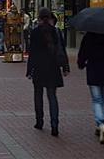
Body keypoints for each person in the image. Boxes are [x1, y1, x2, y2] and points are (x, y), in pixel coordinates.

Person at [26, 7, 69, 137]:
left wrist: (29, 70)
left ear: (39, 18)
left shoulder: (35, 32)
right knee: (52, 96)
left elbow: (32, 52)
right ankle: (54, 125)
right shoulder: (56, 31)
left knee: (38, 95)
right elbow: (62, 50)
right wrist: (65, 67)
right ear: (50, 18)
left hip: (39, 67)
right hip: (53, 67)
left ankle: (39, 121)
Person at [77, 32, 104, 144]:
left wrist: (81, 64)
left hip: (93, 70)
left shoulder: (89, 36)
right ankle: (100, 124)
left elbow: (83, 53)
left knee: (96, 99)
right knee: (103, 98)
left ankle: (100, 123)